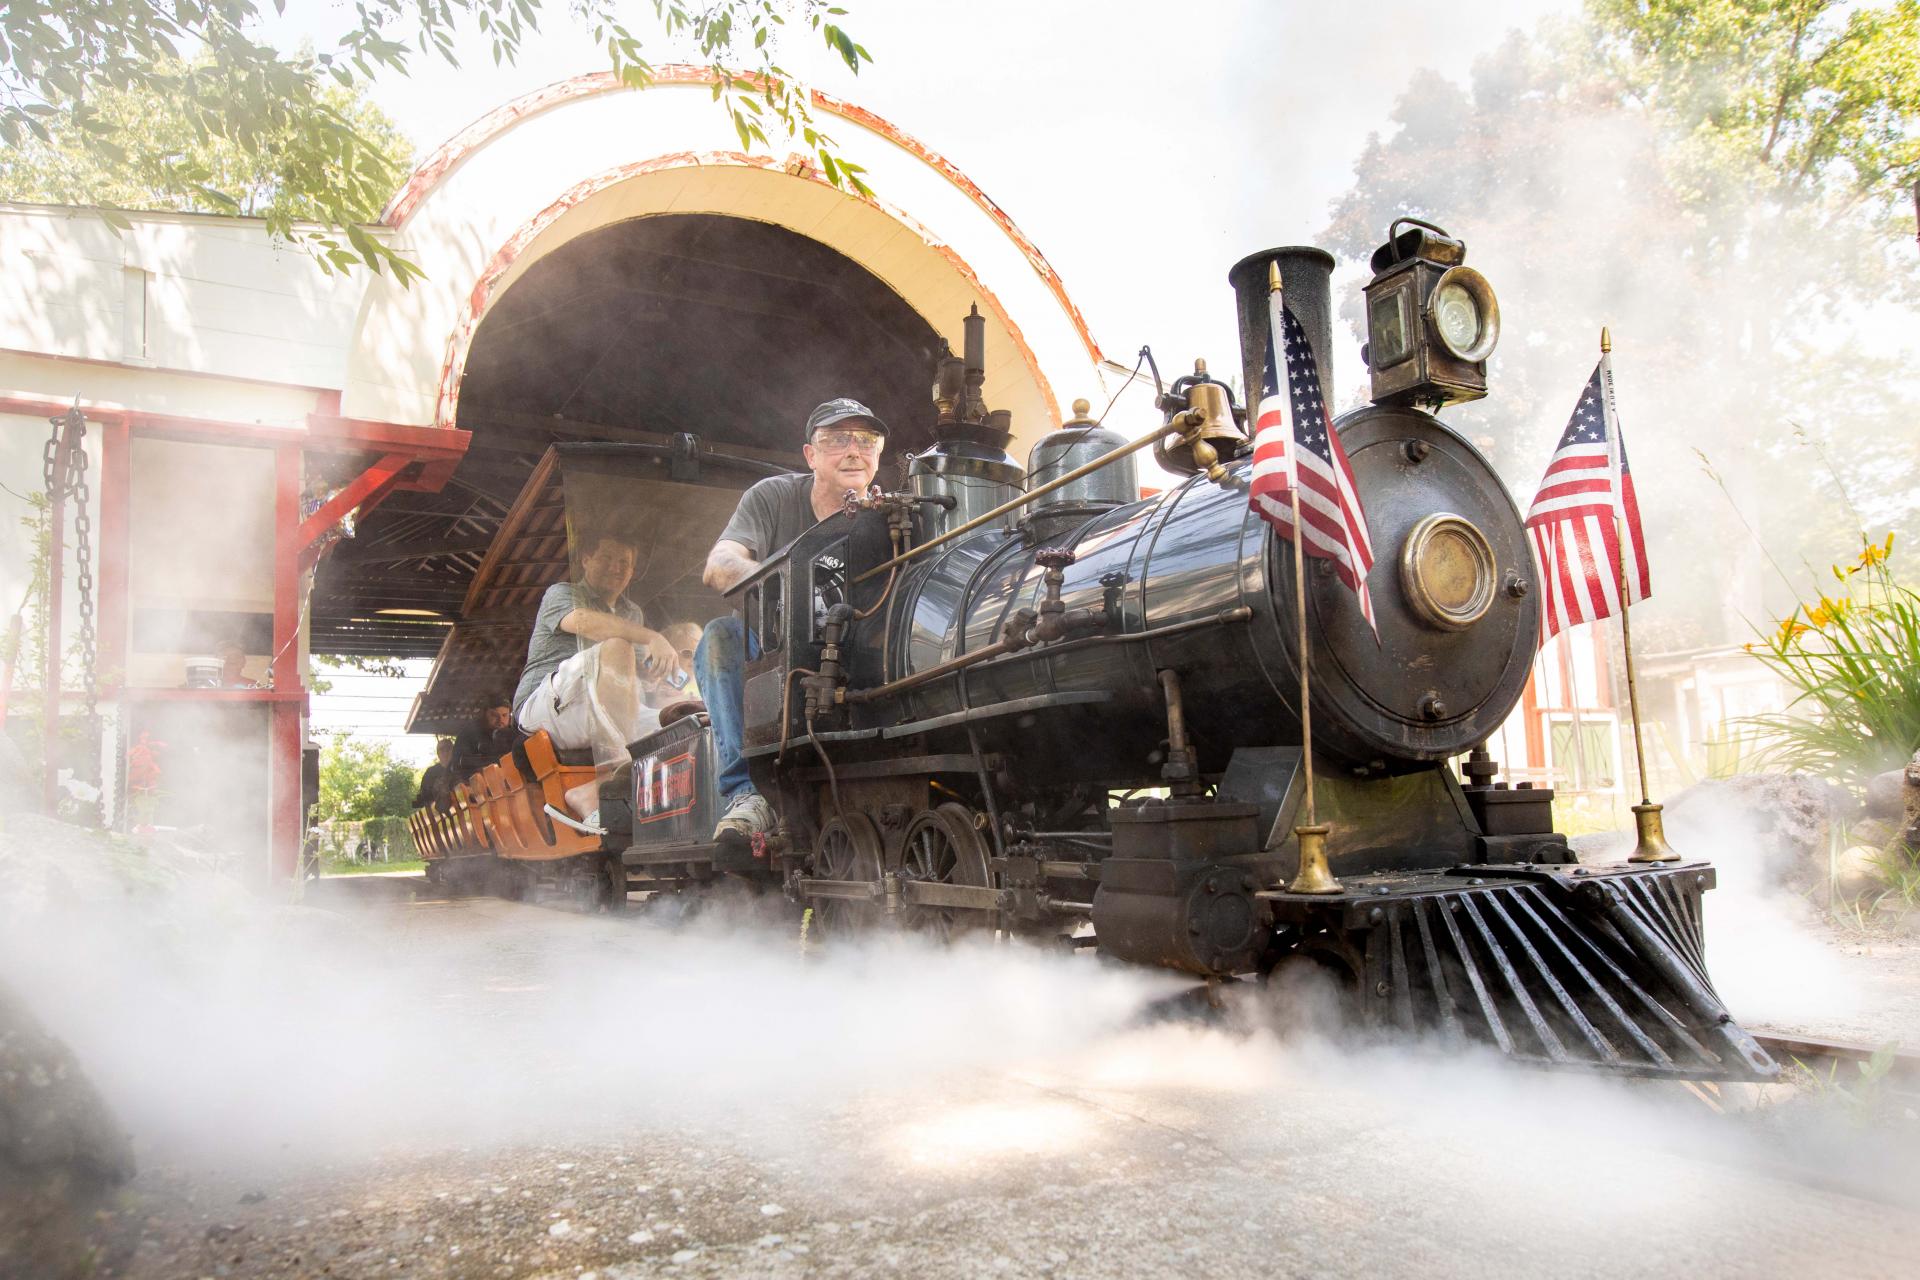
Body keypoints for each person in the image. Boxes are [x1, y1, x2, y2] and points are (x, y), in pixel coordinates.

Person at [697, 397, 887, 845]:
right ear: (811, 455)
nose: (854, 450)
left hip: (862, 659)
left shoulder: (890, 516)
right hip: (777, 656)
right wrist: (784, 587)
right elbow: (719, 564)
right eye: (838, 439)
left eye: (866, 439)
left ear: (878, 454)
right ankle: (747, 792)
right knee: (720, 638)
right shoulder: (773, 497)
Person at [513, 531, 681, 825]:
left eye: (624, 562)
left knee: (683, 718)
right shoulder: (562, 594)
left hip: (603, 706)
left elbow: (641, 667)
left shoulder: (632, 612)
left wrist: (665, 680)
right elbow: (587, 624)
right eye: (606, 558)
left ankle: (598, 794)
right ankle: (607, 784)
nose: (615, 567)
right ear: (586, 559)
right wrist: (652, 636)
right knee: (617, 645)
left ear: (632, 571)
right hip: (547, 707)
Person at [451, 701, 517, 781]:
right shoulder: (472, 733)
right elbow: (458, 766)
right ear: (485, 715)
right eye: (494, 715)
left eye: (504, 715)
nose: (500, 720)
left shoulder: (514, 733)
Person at [413, 738, 457, 811]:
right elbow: (424, 797)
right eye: (442, 749)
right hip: (439, 814)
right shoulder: (430, 773)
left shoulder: (461, 767)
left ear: (453, 751)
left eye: (448, 749)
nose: (445, 752)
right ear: (438, 753)